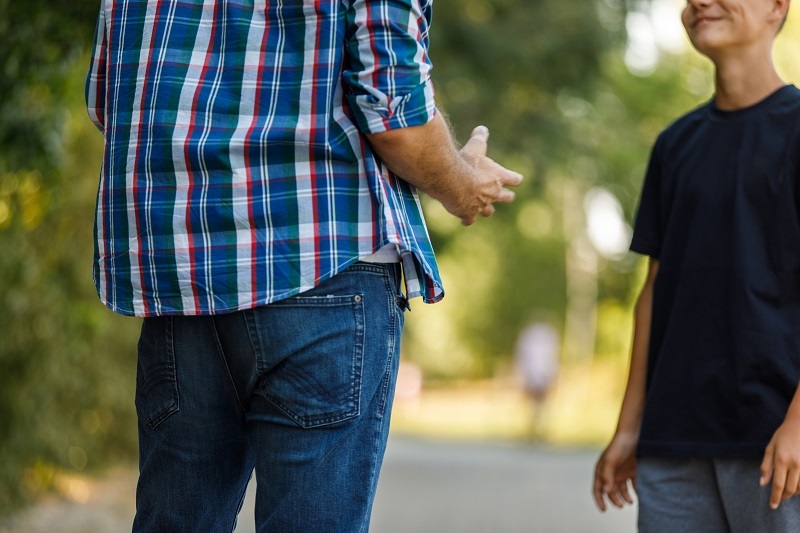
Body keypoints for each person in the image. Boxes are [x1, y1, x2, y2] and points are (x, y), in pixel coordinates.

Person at [85, 1, 522, 531]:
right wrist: (464, 183)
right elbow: (393, 112)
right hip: (323, 264)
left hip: (183, 269)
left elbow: (109, 99)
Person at [592, 0, 800, 530]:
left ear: (778, 7)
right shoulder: (674, 145)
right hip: (673, 441)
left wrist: (799, 424)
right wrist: (630, 426)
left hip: (776, 442)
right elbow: (654, 291)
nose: (699, 2)